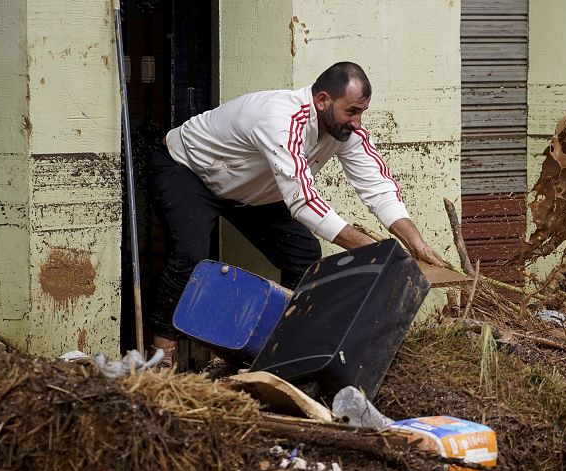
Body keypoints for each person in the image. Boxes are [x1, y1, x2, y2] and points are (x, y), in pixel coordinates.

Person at [145, 61, 443, 367]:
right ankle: (161, 358)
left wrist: (416, 244)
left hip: (250, 189)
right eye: (352, 111)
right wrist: (375, 251)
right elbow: (302, 201)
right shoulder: (281, 118)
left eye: (361, 112)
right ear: (322, 100)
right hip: (187, 171)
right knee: (190, 255)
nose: (357, 121)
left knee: (303, 253)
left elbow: (378, 188)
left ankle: (282, 350)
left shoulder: (347, 131)